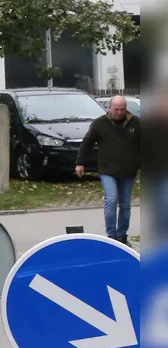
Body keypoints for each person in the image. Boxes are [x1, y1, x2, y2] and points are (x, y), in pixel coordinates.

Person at [76, 94, 141, 244]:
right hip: (107, 170)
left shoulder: (135, 123)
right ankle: (111, 235)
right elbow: (87, 143)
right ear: (109, 108)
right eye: (116, 109)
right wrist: (80, 162)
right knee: (111, 199)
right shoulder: (100, 124)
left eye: (122, 109)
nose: (119, 112)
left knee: (125, 204)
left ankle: (122, 235)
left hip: (128, 170)